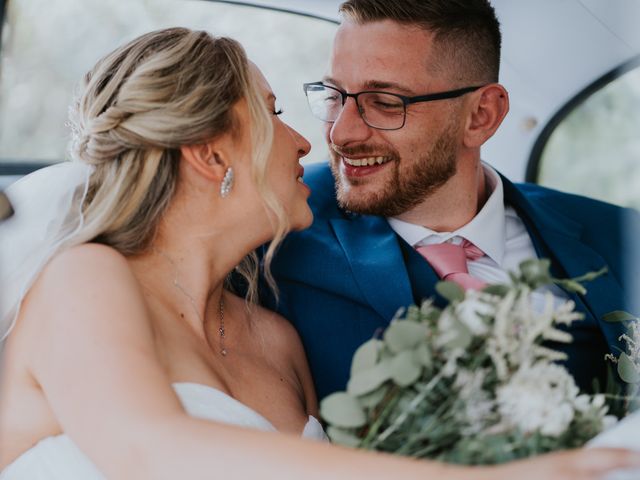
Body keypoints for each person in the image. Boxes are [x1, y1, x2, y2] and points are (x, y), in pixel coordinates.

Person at [0, 26, 636, 480]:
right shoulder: (82, 279)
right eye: (275, 113)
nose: (314, 139)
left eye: (386, 102)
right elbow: (151, 452)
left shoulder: (274, 337)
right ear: (211, 153)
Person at [264, 0, 640, 402]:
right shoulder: (278, 221)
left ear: (481, 115)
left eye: (386, 103)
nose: (341, 134)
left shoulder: (619, 236)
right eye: (334, 96)